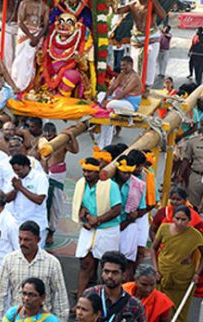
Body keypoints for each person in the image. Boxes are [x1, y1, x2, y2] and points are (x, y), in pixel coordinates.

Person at [0, 220, 68, 322]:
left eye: (27, 240)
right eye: (20, 239)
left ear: (38, 239)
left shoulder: (52, 263)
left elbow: (60, 298)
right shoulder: (9, 260)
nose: (22, 243)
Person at [72, 158, 122, 298]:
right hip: (89, 228)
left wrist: (98, 220)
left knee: (106, 267)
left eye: (90, 172)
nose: (86, 174)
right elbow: (79, 203)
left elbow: (117, 209)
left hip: (107, 229)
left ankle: (104, 299)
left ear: (98, 171)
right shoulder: (81, 184)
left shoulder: (110, 185)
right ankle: (81, 300)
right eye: (84, 171)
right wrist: (82, 211)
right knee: (85, 263)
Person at [151, 205, 203, 322]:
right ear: (172, 218)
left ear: (189, 220)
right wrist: (156, 270)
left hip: (182, 279)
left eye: (183, 220)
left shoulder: (195, 235)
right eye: (177, 218)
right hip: (162, 275)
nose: (179, 222)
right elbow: (153, 249)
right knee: (160, 309)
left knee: (179, 312)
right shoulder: (164, 228)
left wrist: (197, 273)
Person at [117, 0, 166, 87]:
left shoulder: (151, 4)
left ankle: (147, 85)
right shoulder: (133, 5)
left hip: (151, 36)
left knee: (150, 59)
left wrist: (153, 0)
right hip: (137, 37)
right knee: (134, 60)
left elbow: (162, 16)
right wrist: (112, 2)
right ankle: (135, 84)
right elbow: (118, 11)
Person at [41, 123, 79, 246]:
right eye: (46, 134)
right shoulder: (41, 143)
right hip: (44, 173)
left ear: (55, 133)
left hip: (57, 175)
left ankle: (51, 232)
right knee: (42, 204)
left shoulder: (61, 142)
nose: (48, 137)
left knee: (55, 205)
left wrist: (70, 135)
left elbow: (75, 150)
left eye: (50, 134)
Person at [83, 251, 145, 322]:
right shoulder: (90, 294)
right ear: (102, 273)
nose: (110, 276)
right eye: (106, 271)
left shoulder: (134, 305)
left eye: (115, 272)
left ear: (124, 275)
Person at [97, 56, 142, 147]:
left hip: (130, 105)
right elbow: (112, 88)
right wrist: (104, 99)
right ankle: (103, 142)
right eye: (121, 65)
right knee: (100, 95)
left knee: (111, 104)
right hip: (121, 101)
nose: (123, 68)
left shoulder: (135, 78)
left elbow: (124, 93)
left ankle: (105, 141)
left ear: (131, 65)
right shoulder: (122, 74)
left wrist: (108, 101)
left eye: (125, 65)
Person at [13, 0, 49, 91]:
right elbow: (20, 22)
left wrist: (37, 37)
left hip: (37, 34)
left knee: (33, 61)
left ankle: (30, 86)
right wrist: (31, 36)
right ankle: (17, 84)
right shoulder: (24, 4)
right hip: (25, 35)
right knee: (20, 60)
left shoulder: (45, 7)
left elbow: (45, 25)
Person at [7, 155, 48, 245]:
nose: (17, 173)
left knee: (36, 254)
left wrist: (21, 188)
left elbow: (39, 200)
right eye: (14, 170)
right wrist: (15, 189)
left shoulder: (40, 178)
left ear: (26, 166)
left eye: (18, 170)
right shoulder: (15, 179)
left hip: (36, 225)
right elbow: (7, 199)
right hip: (19, 225)